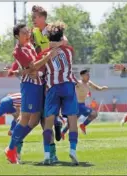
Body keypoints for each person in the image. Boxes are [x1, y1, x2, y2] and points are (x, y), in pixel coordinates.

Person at [5, 23, 58, 164]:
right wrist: (47, 57)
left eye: (27, 32)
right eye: (23, 33)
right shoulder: (18, 51)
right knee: (25, 118)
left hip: (38, 84)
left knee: (34, 120)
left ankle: (14, 146)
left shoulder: (29, 46)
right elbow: (34, 66)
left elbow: (34, 67)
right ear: (17, 36)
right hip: (29, 86)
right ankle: (11, 148)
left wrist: (34, 69)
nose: (27, 34)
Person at [40, 23, 79, 165]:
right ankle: (73, 151)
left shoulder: (45, 53)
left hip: (53, 87)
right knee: (72, 119)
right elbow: (65, 41)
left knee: (48, 121)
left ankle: (46, 154)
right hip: (68, 85)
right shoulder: (68, 51)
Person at [61, 69, 108, 139]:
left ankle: (62, 132)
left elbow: (97, 88)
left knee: (71, 123)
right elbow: (70, 85)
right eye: (87, 75)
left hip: (81, 105)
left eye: (89, 75)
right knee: (94, 114)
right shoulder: (78, 83)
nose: (88, 76)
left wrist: (102, 88)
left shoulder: (89, 83)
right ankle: (83, 125)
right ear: (82, 76)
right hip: (77, 105)